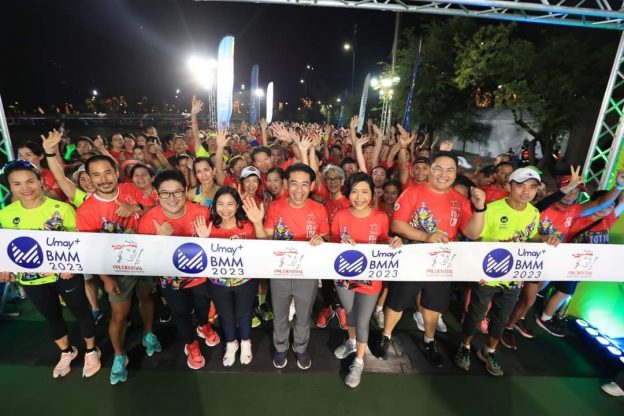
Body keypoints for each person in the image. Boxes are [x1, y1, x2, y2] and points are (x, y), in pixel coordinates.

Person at [378, 151, 486, 367]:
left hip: (442, 264)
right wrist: (426, 237)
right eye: (438, 168)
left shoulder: (460, 200)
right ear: (429, 170)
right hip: (411, 259)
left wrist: (479, 208)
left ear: (456, 173)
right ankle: (386, 336)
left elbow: (473, 232)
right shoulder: (412, 192)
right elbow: (397, 225)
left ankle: (429, 341)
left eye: (450, 170)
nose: (443, 174)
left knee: (432, 306)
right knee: (397, 303)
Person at [0, 160, 101, 378]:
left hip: (66, 274)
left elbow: (79, 242)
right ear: (10, 187)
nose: (25, 188)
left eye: (30, 181)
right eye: (17, 184)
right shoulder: (6, 214)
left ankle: (91, 350)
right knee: (51, 315)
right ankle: (66, 352)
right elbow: (5, 247)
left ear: (40, 181)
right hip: (31, 278)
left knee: (80, 310)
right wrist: (4, 267)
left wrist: (71, 264)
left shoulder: (62, 209)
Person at [454, 167, 557, 377]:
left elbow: (531, 236)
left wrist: (544, 238)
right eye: (521, 185)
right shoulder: (492, 210)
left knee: (502, 318)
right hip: (487, 275)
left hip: (514, 277)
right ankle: (464, 346)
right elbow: (475, 239)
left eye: (532, 187)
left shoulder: (533, 213)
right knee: (475, 315)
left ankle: (489, 351)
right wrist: (476, 270)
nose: (526, 191)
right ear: (510, 186)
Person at [76, 154, 161, 385]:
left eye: (107, 172)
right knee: (119, 315)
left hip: (145, 259)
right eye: (96, 175)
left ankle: (148, 333)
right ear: (89, 178)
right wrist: (105, 278)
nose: (103, 179)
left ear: (116, 172)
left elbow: (156, 207)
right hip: (115, 270)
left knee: (147, 297)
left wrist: (136, 206)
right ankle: (119, 355)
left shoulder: (131, 189)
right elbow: (91, 249)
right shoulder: (85, 211)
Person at [138, 170, 219, 370]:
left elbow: (215, 246)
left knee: (203, 308)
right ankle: (191, 344)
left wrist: (207, 239)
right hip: (171, 280)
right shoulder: (149, 220)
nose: (172, 198)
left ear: (186, 191)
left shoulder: (202, 212)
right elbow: (143, 259)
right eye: (165, 193)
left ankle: (204, 326)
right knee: (181, 313)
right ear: (157, 194)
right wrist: (158, 240)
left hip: (200, 276)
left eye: (177, 192)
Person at [330, 172, 403, 388]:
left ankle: (359, 361)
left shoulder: (381, 217)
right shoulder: (340, 216)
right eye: (354, 192)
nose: (359, 197)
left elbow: (384, 240)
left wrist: (393, 241)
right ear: (348, 193)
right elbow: (331, 244)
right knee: (350, 313)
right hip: (344, 277)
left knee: (362, 321)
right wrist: (339, 243)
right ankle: (352, 342)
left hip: (370, 280)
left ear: (372, 194)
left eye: (365, 192)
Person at [260, 163, 329, 370]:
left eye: (304, 184)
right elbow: (267, 237)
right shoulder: (275, 207)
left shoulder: (319, 209)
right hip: (279, 272)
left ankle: (300, 347)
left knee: (304, 314)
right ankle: (281, 346)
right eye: (294, 184)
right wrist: (256, 222)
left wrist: (322, 240)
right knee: (280, 313)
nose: (299, 190)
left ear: (312, 186)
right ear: (285, 184)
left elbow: (327, 237)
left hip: (307, 274)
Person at [193, 187, 266, 366]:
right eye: (221, 204)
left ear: (238, 205)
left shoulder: (248, 225)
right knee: (225, 314)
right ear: (214, 205)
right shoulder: (209, 226)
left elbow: (265, 247)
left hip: (246, 281)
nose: (225, 209)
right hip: (218, 283)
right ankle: (231, 343)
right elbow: (202, 257)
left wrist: (258, 223)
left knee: (244, 312)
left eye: (230, 204)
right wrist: (204, 240)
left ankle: (246, 342)